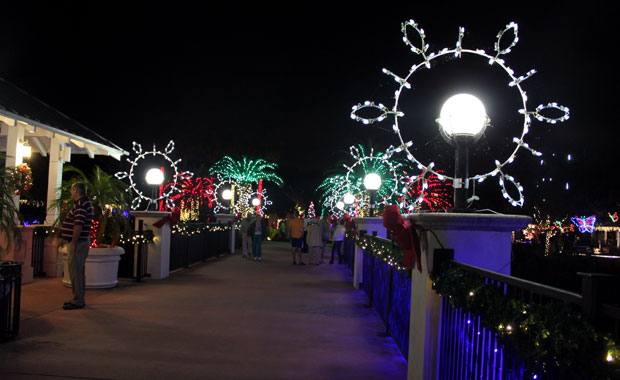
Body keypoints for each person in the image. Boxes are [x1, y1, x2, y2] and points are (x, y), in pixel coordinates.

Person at [61, 182, 94, 310]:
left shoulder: (81, 205)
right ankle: (79, 297)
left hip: (78, 243)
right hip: (81, 241)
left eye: (72, 190)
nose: (71, 192)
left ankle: (78, 299)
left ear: (76, 190)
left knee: (75, 271)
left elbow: (78, 225)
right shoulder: (85, 203)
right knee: (78, 271)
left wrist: (73, 242)